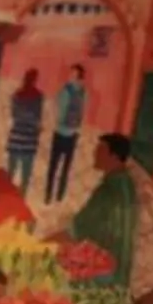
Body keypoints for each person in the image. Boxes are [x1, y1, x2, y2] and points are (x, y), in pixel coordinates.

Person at [68, 132, 147, 291]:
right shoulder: (126, 184)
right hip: (117, 274)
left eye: (100, 151)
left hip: (100, 275)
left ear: (114, 156)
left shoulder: (108, 191)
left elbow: (78, 228)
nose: (94, 154)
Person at [45, 63, 91, 201]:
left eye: (72, 74)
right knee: (66, 167)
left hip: (60, 132)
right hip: (73, 134)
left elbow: (58, 110)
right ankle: (60, 196)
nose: (69, 76)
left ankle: (48, 196)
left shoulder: (65, 90)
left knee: (53, 166)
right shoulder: (84, 92)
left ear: (76, 76)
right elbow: (84, 112)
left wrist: (56, 121)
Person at [5, 71, 46, 189]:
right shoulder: (38, 96)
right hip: (29, 139)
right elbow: (37, 117)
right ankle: (21, 200)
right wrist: (38, 128)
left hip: (16, 136)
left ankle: (4, 199)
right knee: (26, 175)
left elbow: (14, 115)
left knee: (11, 171)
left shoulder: (16, 95)